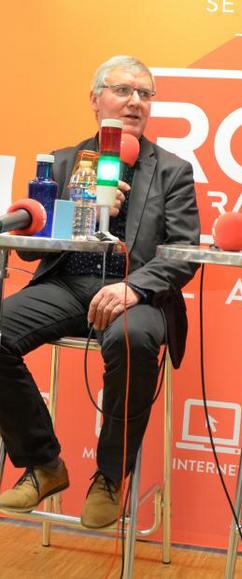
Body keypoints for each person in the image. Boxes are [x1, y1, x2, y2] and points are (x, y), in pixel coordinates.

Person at [0, 56, 200, 529]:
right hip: (69, 283)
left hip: (140, 292)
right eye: (123, 90)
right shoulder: (64, 161)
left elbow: (185, 252)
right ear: (95, 100)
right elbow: (32, 251)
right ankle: (44, 464)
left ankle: (111, 476)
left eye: (145, 93)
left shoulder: (172, 170)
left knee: (133, 341)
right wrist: (81, 207)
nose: (135, 101)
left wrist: (135, 288)